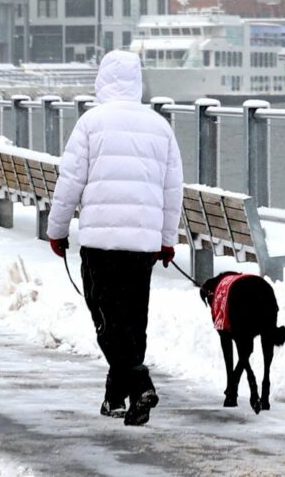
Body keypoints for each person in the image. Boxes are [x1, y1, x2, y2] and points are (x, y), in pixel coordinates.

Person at [46, 49, 183, 427]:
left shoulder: (91, 123)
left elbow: (69, 182)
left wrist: (57, 230)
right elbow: (173, 190)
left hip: (100, 243)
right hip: (141, 247)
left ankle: (140, 385)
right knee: (132, 320)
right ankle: (114, 399)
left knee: (107, 319)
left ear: (102, 79)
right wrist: (166, 239)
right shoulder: (160, 127)